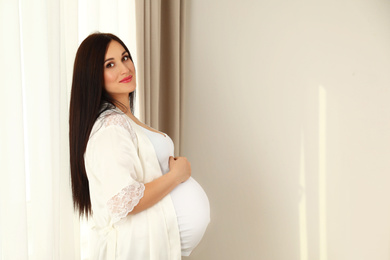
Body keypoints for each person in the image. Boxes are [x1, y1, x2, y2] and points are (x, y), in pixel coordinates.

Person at [69, 32, 210, 260]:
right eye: (110, 64)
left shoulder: (124, 119)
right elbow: (123, 199)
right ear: (93, 76)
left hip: (155, 244)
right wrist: (177, 175)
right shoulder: (110, 126)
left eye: (125, 58)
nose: (125, 69)